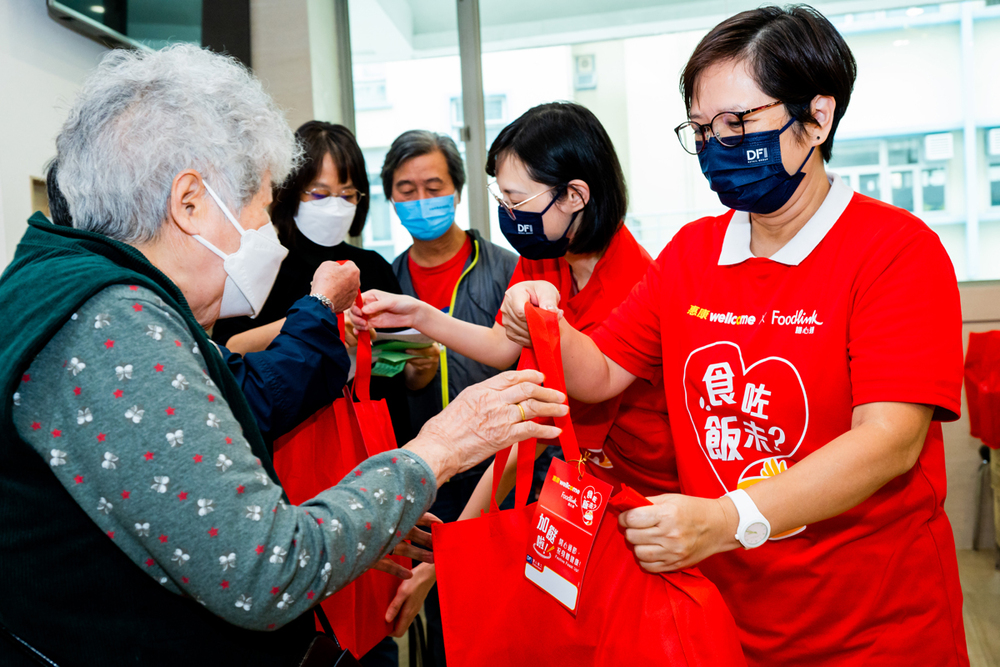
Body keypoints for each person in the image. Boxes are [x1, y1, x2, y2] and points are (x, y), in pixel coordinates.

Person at [0, 44, 568, 667]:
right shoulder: (112, 321)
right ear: (189, 203)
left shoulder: (69, 287)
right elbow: (267, 566)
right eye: (264, 207)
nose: (269, 237)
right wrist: (438, 449)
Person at [500, 7, 969, 666]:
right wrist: (544, 311)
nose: (718, 145)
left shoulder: (894, 250)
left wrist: (727, 519)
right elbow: (601, 372)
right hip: (724, 619)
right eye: (701, 129)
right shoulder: (693, 252)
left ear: (818, 117)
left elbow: (890, 440)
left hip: (873, 627)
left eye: (739, 123)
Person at [354, 102, 676, 656]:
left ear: (575, 195)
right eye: (501, 199)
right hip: (579, 489)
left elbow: (530, 413)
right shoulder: (548, 254)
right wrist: (420, 314)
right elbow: (508, 349)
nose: (507, 214)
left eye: (517, 200)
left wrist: (455, 549)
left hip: (640, 504)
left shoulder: (633, 284)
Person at [372, 130, 521, 663]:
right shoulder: (385, 282)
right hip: (423, 482)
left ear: (457, 191)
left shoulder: (507, 271)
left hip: (498, 477)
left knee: (498, 629)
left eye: (432, 186)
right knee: (434, 636)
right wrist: (410, 379)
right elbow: (378, 393)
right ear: (390, 197)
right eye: (405, 189)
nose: (420, 200)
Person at [211, 121, 421, 447]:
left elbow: (397, 368)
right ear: (291, 191)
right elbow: (225, 354)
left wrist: (418, 371)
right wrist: (320, 319)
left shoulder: (373, 267)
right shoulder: (261, 265)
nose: (335, 205)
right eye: (320, 193)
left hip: (375, 442)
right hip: (299, 451)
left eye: (347, 193)